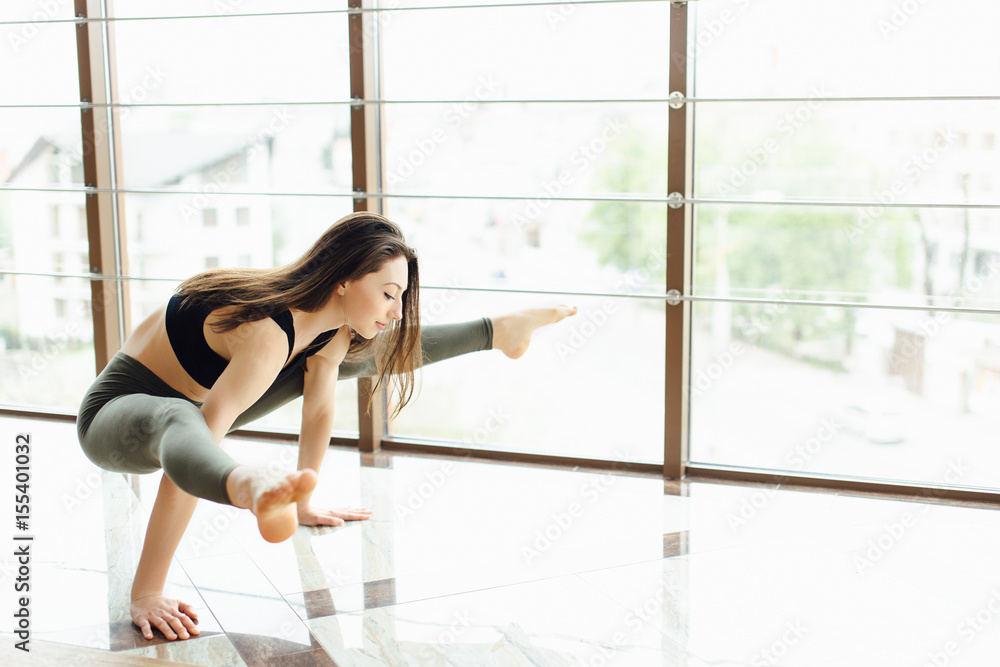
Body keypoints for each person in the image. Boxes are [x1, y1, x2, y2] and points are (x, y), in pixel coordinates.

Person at [75, 211, 576, 642]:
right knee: (180, 418)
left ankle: (499, 331)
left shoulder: (328, 329)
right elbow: (198, 438)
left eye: (400, 296)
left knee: (358, 352)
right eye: (387, 293)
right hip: (116, 420)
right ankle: (250, 486)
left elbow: (317, 411)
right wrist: (146, 592)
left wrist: (304, 500)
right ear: (345, 279)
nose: (396, 310)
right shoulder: (268, 335)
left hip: (188, 416)